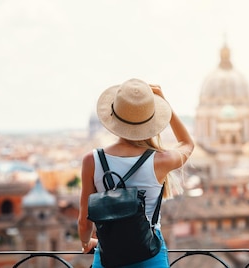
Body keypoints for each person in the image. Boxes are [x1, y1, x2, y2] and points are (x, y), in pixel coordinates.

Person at [77, 78, 195, 267]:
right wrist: (167, 107)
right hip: (150, 255)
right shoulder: (160, 160)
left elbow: (84, 222)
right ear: (152, 120)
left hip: (108, 255)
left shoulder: (91, 160)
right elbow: (187, 144)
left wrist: (86, 243)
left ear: (114, 117)